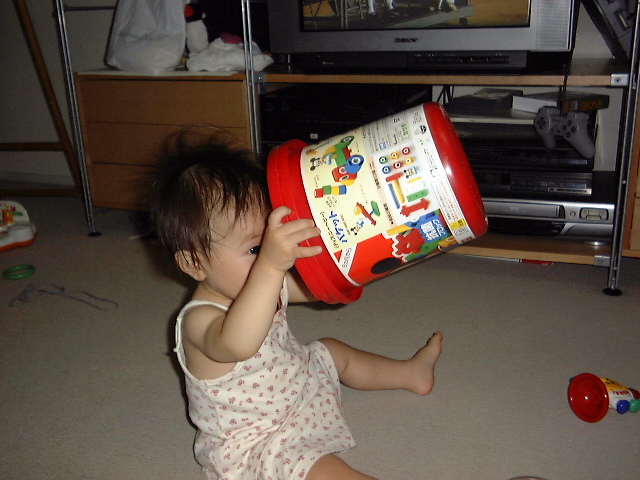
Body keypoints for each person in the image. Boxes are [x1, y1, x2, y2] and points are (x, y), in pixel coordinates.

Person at [147, 128, 443, 480]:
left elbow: (317, 287)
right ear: (194, 263)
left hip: (295, 384)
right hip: (258, 440)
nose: (272, 255)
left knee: (331, 351)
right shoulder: (198, 321)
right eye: (255, 248)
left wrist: (372, 251)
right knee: (320, 469)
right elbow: (240, 342)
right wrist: (270, 265)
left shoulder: (264, 277)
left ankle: (408, 373)